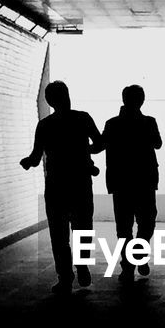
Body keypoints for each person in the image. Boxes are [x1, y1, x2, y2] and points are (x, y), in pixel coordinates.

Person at [20, 80, 104, 294]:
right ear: (67, 95)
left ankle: (65, 277)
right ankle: (82, 267)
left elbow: (36, 157)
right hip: (81, 184)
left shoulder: (45, 125)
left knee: (59, 235)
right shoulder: (83, 118)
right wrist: (85, 151)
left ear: (49, 101)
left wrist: (27, 162)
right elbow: (100, 144)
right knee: (83, 229)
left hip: (56, 186)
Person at [101, 84, 162, 284]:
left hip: (121, 182)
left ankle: (128, 266)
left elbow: (98, 146)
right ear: (141, 100)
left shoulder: (112, 124)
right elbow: (157, 143)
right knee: (147, 222)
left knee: (124, 227)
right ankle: (139, 256)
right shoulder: (149, 122)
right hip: (145, 180)